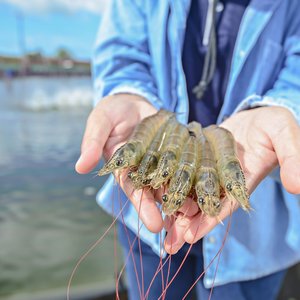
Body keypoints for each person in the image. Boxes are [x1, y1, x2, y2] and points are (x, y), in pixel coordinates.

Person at [76, 0, 300, 299]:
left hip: (255, 234)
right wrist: (126, 91)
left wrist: (283, 107)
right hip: (145, 228)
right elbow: (123, 53)